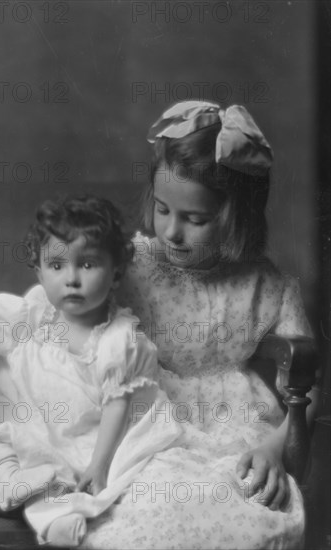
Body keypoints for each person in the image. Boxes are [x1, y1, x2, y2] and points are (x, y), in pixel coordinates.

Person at [80, 101, 316, 549]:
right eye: (164, 209)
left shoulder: (267, 284)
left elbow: (309, 385)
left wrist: (273, 448)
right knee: (154, 508)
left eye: (195, 219)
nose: (170, 232)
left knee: (248, 509)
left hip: (239, 429)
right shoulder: (134, 263)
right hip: (152, 421)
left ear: (236, 219)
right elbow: (61, 302)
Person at [0, 196, 182, 547]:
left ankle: (84, 513)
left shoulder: (119, 337)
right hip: (41, 429)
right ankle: (43, 510)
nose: (72, 279)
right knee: (13, 460)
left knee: (126, 479)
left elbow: (117, 405)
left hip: (98, 437)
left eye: (88, 265)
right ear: (39, 271)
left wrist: (99, 463)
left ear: (115, 275)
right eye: (57, 266)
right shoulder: (38, 310)